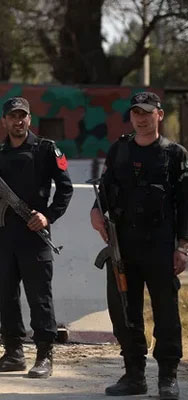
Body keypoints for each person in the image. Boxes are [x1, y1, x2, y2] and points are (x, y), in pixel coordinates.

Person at [90, 92, 186, 399]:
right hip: (123, 246)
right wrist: (95, 212)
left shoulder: (174, 154)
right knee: (124, 310)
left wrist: (182, 247)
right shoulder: (119, 150)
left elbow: (185, 205)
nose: (141, 118)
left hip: (160, 245)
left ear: (159, 115)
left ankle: (168, 378)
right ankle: (134, 375)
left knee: (166, 312)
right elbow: (103, 191)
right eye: (136, 113)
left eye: (147, 112)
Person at [0, 96, 73, 379]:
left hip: (34, 237)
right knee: (6, 296)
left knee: (39, 297)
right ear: (4, 121)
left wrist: (48, 216)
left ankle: (44, 355)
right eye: (13, 116)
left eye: (23, 116)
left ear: (29, 119)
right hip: (3, 238)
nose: (18, 121)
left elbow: (65, 188)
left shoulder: (46, 150)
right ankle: (13, 352)